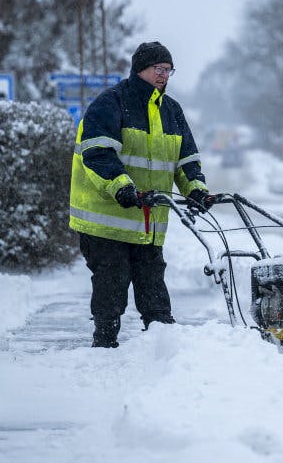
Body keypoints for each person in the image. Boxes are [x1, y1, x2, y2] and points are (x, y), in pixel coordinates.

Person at [69, 41, 216, 347]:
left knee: (154, 289)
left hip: (147, 223)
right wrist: (121, 186)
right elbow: (96, 153)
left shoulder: (172, 111)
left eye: (168, 70)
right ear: (141, 70)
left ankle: (165, 349)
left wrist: (197, 191)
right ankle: (104, 345)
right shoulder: (111, 103)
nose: (164, 75)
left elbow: (186, 161)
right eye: (158, 69)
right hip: (106, 220)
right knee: (112, 283)